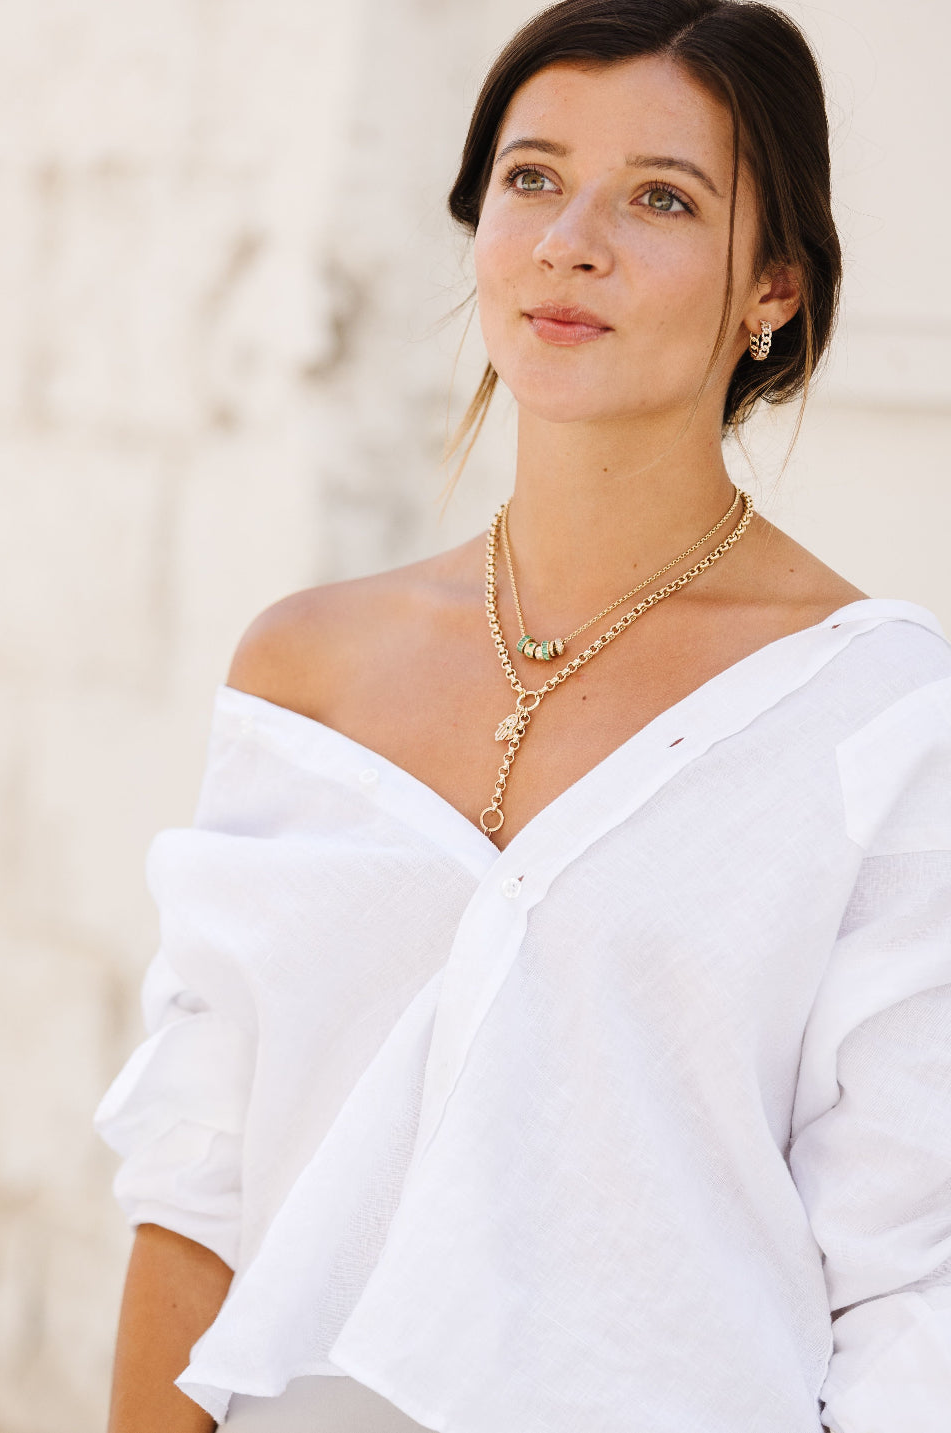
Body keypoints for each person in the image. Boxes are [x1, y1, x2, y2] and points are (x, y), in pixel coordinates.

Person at [94, 1, 951, 1429]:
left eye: (662, 198)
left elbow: (908, 1277)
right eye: (533, 177)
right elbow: (196, 1188)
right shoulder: (305, 672)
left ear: (774, 288)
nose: (570, 240)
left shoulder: (878, 716)